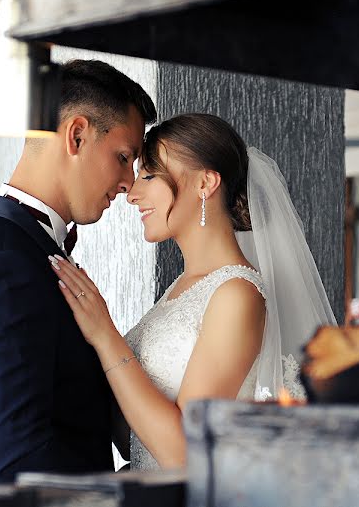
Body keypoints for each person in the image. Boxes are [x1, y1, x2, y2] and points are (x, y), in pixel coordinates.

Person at [50, 113, 338, 470]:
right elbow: (135, 442)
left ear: (205, 183)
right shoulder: (180, 289)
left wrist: (106, 336)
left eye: (150, 175)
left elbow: (186, 454)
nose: (133, 194)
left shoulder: (237, 294)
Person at [0, 60, 157, 482]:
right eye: (124, 157)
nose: (129, 183)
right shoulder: (1, 267)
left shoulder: (10, 251)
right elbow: (18, 466)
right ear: (77, 135)